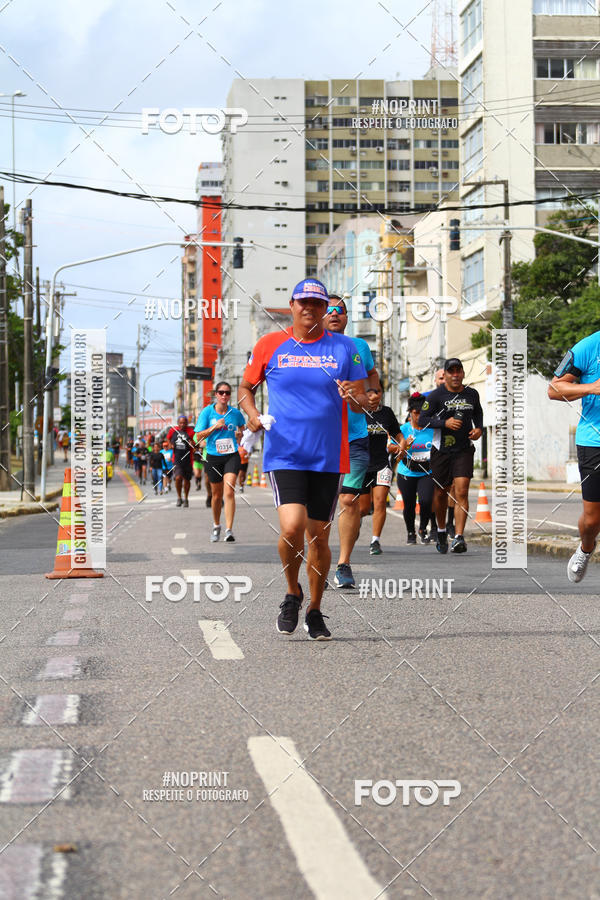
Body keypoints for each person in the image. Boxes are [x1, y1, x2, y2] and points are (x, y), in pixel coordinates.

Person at [238, 278, 368, 641]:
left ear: (326, 310)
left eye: (317, 303)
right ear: (292, 305)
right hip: (286, 451)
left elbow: (361, 402)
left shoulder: (345, 349)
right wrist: (250, 413)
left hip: (328, 455)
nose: (309, 309)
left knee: (319, 538)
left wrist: (354, 396)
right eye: (303, 302)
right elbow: (247, 387)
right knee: (292, 528)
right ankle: (291, 592)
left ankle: (314, 609)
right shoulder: (269, 344)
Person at [324, 295, 380, 587]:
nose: (335, 314)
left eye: (340, 310)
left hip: (355, 435)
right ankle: (319, 558)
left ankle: (344, 563)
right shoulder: (307, 349)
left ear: (346, 317)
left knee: (349, 499)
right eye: (329, 309)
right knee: (320, 505)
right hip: (320, 439)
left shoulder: (359, 347)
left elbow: (371, 375)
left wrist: (374, 392)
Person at [549, 333, 600, 581]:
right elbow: (554, 388)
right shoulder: (588, 347)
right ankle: (586, 548)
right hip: (594, 441)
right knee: (593, 520)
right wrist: (592, 387)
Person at [418, 358, 483, 554]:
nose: (455, 374)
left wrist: (479, 429)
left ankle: (459, 536)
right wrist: (444, 424)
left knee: (462, 491)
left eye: (458, 371)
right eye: (451, 371)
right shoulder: (436, 396)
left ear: (463, 373)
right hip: (441, 450)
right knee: (441, 493)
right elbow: (422, 420)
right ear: (445, 375)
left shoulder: (471, 394)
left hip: (463, 449)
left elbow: (478, 413)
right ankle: (441, 530)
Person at [194, 383, 245, 541]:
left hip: (231, 455)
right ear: (216, 394)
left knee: (229, 490)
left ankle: (229, 529)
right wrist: (215, 427)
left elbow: (243, 429)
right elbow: (198, 437)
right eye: (221, 392)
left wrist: (239, 434)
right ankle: (217, 525)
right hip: (213, 456)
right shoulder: (207, 412)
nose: (224, 395)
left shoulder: (235, 413)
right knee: (217, 495)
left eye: (227, 393)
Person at [359, 386, 402, 554]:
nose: (372, 396)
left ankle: (375, 541)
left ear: (381, 394)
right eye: (368, 392)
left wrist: (402, 443)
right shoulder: (357, 412)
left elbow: (397, 433)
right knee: (363, 508)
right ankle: (357, 521)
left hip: (382, 464)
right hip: (362, 465)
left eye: (376, 392)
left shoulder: (387, 413)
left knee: (380, 502)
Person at [395, 392, 436, 544]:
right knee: (409, 504)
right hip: (407, 472)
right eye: (415, 413)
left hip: (427, 471)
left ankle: (423, 528)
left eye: (422, 413)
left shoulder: (432, 428)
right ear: (410, 413)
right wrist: (404, 446)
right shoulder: (403, 430)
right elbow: (393, 451)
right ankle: (410, 532)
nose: (419, 416)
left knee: (426, 500)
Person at [166, 415, 195, 508]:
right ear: (178, 423)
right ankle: (179, 497)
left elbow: (195, 443)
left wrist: (192, 444)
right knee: (178, 478)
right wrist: (170, 444)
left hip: (188, 459)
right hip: (177, 459)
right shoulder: (173, 430)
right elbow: (168, 439)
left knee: (187, 480)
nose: (182, 424)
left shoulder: (191, 431)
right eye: (181, 423)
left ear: (187, 423)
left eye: (184, 423)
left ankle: (186, 498)